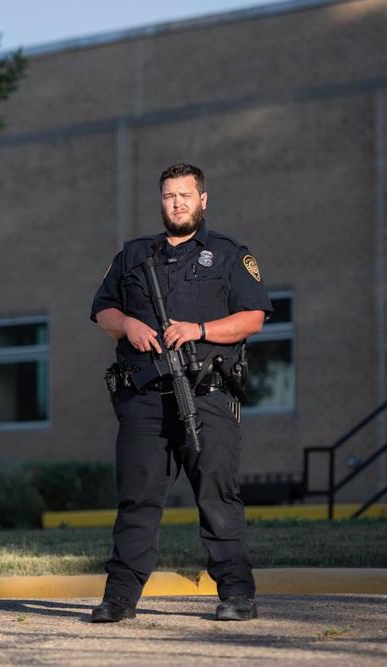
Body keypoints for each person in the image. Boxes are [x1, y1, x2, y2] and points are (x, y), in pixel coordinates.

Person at [89, 163, 272, 622]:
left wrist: (199, 329)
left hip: (206, 395)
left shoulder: (230, 254)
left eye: (186, 195)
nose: (177, 203)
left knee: (217, 495)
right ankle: (119, 599)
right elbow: (102, 311)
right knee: (137, 499)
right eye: (170, 196)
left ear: (203, 200)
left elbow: (253, 318)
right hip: (145, 398)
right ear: (161, 201)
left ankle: (236, 595)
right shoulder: (133, 255)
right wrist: (128, 324)